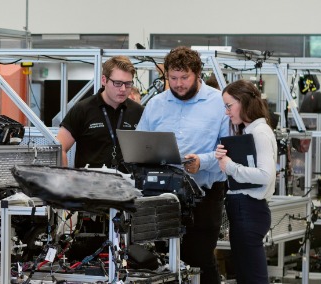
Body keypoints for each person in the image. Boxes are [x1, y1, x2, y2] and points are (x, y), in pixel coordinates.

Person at [137, 46, 229, 284]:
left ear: (197, 73)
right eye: (173, 78)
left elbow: (228, 148)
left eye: (184, 78)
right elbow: (140, 143)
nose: (178, 84)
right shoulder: (156, 104)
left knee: (198, 259)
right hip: (160, 195)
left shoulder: (218, 103)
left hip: (204, 195)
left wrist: (203, 161)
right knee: (161, 263)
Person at [215, 79, 277, 284]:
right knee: (246, 276)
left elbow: (265, 175)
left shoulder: (259, 132)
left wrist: (231, 166)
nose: (227, 112)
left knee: (253, 279)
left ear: (243, 101)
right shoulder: (250, 131)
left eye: (229, 105)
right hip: (245, 210)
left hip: (249, 210)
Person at [56, 55, 144, 172]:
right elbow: (59, 147)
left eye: (128, 84)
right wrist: (64, 178)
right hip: (89, 185)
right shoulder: (83, 109)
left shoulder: (139, 112)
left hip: (127, 184)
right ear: (104, 80)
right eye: (117, 83)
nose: (123, 89)